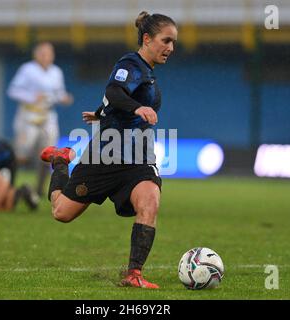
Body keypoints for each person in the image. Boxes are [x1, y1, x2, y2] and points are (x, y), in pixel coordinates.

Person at [40, 12, 177, 289]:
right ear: (147, 38)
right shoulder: (130, 62)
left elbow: (114, 98)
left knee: (149, 201)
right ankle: (59, 161)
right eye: (166, 40)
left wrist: (101, 113)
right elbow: (115, 91)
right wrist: (136, 107)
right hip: (104, 155)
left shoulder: (147, 73)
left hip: (137, 158)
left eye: (173, 42)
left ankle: (134, 274)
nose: (170, 48)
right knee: (61, 212)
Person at [7, 42, 74, 196]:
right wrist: (31, 97)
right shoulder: (27, 69)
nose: (46, 56)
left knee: (49, 153)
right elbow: (13, 90)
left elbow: (58, 93)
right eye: (43, 53)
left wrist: (64, 98)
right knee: (22, 155)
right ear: (36, 54)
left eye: (49, 53)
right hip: (28, 116)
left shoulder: (56, 72)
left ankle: (40, 189)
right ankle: (10, 187)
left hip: (48, 115)